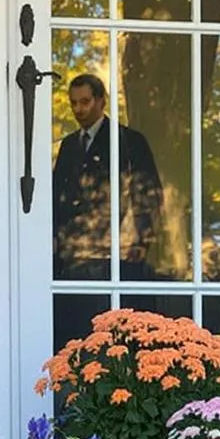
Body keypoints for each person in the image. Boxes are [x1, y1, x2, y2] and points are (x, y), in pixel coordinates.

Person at [52, 74, 164, 345]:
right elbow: (57, 196)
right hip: (73, 254)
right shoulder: (68, 145)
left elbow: (147, 193)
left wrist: (141, 239)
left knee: (115, 333)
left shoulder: (127, 141)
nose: (79, 109)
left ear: (102, 101)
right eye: (74, 103)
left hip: (115, 250)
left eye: (86, 101)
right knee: (76, 331)